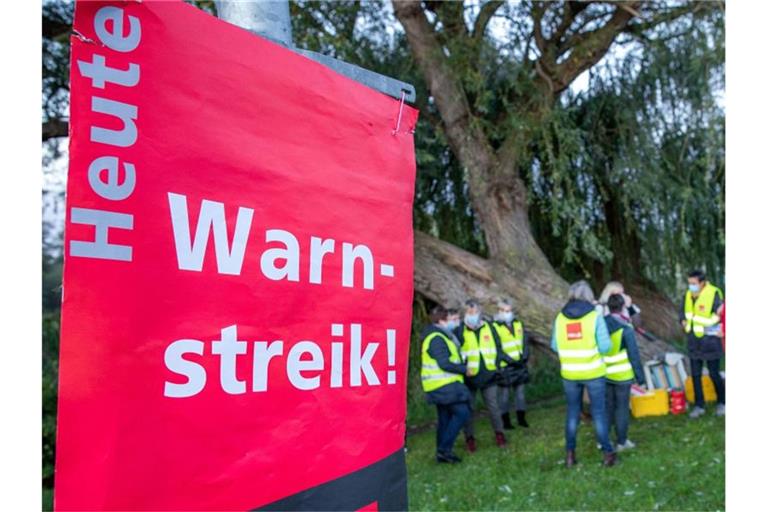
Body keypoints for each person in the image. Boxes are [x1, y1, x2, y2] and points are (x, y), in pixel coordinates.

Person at [551, 280, 617, 467]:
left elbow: (555, 346)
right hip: (593, 372)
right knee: (598, 413)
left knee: (572, 413)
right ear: (589, 296)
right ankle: (607, 454)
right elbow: (605, 347)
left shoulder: (560, 318)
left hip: (570, 374)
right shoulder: (595, 316)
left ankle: (570, 455)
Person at [420, 305, 472, 463]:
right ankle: (444, 449)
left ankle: (441, 452)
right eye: (451, 320)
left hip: (441, 385)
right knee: (462, 413)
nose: (454, 323)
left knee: (445, 418)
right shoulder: (437, 338)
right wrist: (464, 369)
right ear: (442, 321)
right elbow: (444, 363)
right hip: (443, 385)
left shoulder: (440, 336)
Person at [456, 299, 508, 450]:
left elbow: (498, 347)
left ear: (480, 313)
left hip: (489, 375)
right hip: (469, 377)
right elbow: (456, 352)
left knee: (493, 407)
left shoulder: (489, 327)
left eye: (475, 312)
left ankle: (500, 434)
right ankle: (470, 439)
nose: (472, 315)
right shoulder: (459, 330)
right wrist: (462, 369)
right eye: (469, 312)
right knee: (468, 409)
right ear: (464, 314)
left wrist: (496, 366)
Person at [604, 294, 646, 451]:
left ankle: (604, 440)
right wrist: (640, 378)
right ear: (622, 307)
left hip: (605, 373)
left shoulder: (600, 325)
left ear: (608, 306)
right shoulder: (626, 329)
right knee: (621, 407)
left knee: (608, 407)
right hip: (622, 374)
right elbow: (634, 355)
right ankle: (622, 442)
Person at [681, 270, 725, 418]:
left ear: (702, 283)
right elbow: (683, 312)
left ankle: (722, 402)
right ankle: (699, 405)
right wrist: (683, 320)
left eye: (693, 283)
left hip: (710, 341)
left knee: (714, 374)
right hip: (694, 341)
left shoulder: (714, 293)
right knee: (695, 375)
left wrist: (708, 325)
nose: (691, 286)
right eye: (689, 283)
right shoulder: (688, 295)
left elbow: (718, 315)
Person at [492, 298, 531, 429]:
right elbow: (496, 349)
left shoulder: (518, 323)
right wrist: (510, 361)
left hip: (520, 364)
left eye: (509, 311)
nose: (507, 313)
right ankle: (506, 421)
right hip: (506, 366)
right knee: (504, 396)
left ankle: (521, 419)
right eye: (504, 311)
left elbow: (525, 342)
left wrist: (524, 357)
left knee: (520, 394)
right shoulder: (494, 327)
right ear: (499, 311)